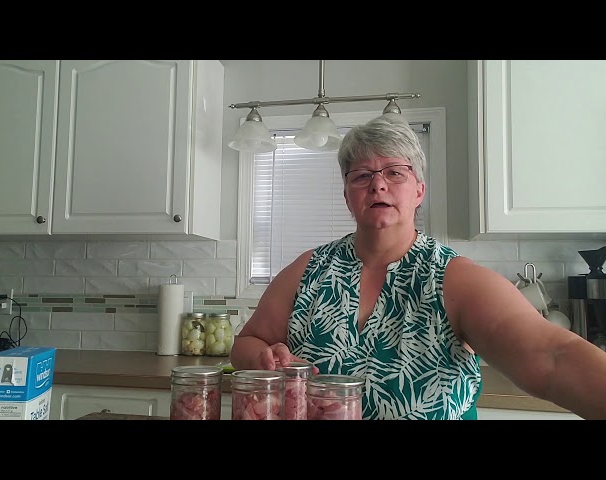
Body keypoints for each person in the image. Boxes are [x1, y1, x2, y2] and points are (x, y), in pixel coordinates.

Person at [230, 116, 606, 420]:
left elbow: (553, 357)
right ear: (347, 196)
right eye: (362, 176)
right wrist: (263, 359)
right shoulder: (308, 269)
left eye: (395, 172)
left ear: (419, 191)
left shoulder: (456, 279)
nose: (378, 185)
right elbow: (246, 343)